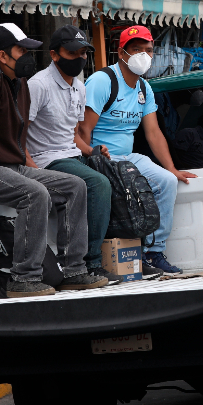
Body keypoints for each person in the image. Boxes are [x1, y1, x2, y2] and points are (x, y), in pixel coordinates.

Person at [0, 24, 102, 296]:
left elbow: (21, 132)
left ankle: (74, 271)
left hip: (11, 166)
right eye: (21, 50)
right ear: (2, 55)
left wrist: (28, 165)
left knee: (75, 186)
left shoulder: (17, 82)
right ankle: (24, 278)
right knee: (35, 194)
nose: (28, 56)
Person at [80, 26, 195, 275]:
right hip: (103, 157)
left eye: (148, 50)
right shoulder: (103, 81)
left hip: (129, 158)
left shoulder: (144, 88)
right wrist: (90, 155)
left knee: (166, 181)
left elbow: (153, 132)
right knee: (128, 183)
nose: (143, 55)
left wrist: (172, 168)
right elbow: (82, 130)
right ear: (122, 52)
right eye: (136, 49)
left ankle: (153, 253)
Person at [24, 25, 124, 285]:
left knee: (117, 176)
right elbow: (18, 132)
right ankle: (87, 265)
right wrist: (31, 170)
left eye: (83, 52)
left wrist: (93, 151)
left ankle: (134, 254)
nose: (79, 58)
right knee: (97, 183)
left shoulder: (79, 86)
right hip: (48, 159)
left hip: (71, 156)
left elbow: (73, 135)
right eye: (72, 53)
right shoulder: (39, 85)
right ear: (54, 55)